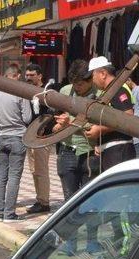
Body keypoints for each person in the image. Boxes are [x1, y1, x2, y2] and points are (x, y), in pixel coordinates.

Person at [53, 59, 102, 200]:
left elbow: (101, 124)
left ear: (90, 79)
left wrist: (72, 122)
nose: (77, 88)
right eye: (74, 84)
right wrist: (58, 125)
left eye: (80, 84)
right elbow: (55, 120)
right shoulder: (65, 91)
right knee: (69, 200)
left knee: (90, 200)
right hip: (67, 150)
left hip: (90, 152)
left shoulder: (100, 95)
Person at [0, 66, 33, 222]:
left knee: (1, 176)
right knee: (14, 176)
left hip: (1, 137)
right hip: (17, 136)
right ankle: (9, 214)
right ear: (15, 76)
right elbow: (27, 118)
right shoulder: (20, 91)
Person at [87, 56, 136, 170]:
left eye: (93, 76)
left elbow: (128, 116)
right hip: (113, 150)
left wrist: (100, 129)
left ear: (103, 73)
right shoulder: (109, 91)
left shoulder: (118, 89)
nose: (92, 80)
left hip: (119, 151)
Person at [24, 63, 51, 214]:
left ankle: (44, 202)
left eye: (31, 75)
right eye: (26, 75)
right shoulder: (27, 92)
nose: (28, 78)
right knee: (34, 170)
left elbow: (50, 115)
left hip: (42, 137)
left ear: (39, 76)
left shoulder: (47, 92)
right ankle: (39, 199)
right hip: (30, 136)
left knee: (41, 170)